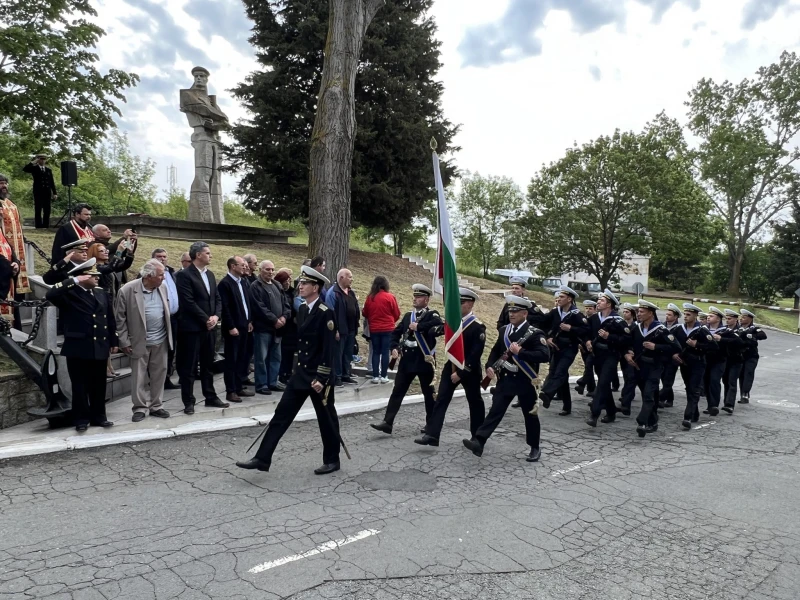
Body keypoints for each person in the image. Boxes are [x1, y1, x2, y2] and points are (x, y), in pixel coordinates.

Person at [236, 266, 341, 475]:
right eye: (300, 283)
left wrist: (322, 377)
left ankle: (332, 460)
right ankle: (262, 458)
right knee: (280, 415)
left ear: (316, 287)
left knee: (327, 420)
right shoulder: (302, 309)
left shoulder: (325, 313)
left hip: (318, 378)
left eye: (304, 283)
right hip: (300, 375)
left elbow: (329, 349)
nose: (300, 286)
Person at [462, 295, 550, 462]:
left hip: (525, 380)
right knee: (495, 411)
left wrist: (521, 353)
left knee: (530, 415)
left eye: (515, 311)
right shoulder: (504, 331)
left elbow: (544, 355)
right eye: (510, 311)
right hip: (506, 379)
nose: (511, 314)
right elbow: (496, 350)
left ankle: (534, 447)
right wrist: (490, 365)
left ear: (525, 313)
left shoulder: (535, 333)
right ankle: (479, 441)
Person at [45, 258, 117, 431]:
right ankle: (81, 419)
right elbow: (50, 294)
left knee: (99, 384)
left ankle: (99, 417)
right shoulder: (69, 293)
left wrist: (114, 341)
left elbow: (109, 317)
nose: (97, 278)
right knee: (80, 386)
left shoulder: (100, 293)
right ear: (83, 277)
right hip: (78, 347)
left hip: (99, 345)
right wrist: (74, 280)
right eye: (93, 275)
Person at [415, 288, 486, 447]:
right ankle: (432, 435)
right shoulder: (453, 322)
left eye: (460, 303)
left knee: (475, 402)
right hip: (451, 365)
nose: (457, 306)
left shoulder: (477, 326)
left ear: (469, 304)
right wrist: (435, 328)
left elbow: (475, 354)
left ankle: (477, 437)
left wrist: (461, 373)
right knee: (441, 399)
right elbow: (436, 331)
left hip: (469, 370)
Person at [370, 284, 442, 435]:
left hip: (424, 361)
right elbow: (395, 333)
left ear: (426, 300)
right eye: (415, 296)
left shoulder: (432, 315)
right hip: (407, 362)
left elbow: (439, 325)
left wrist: (419, 326)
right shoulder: (408, 316)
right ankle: (387, 422)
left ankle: (431, 425)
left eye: (419, 297)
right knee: (397, 391)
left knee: (428, 395)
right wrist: (394, 347)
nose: (415, 299)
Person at [115, 259, 172, 422]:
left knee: (159, 374)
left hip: (161, 339)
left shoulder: (162, 287)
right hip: (138, 341)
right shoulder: (127, 290)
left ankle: (157, 406)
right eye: (161, 275)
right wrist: (124, 341)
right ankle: (139, 407)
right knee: (139, 377)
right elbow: (119, 319)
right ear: (149, 275)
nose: (164, 278)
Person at [174, 241, 228, 414]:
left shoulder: (210, 275)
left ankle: (210, 396)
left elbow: (217, 299)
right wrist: (205, 318)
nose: (210, 256)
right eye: (207, 253)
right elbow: (187, 301)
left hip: (209, 329)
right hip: (191, 329)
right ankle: (188, 401)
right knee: (188, 366)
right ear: (198, 255)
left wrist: (215, 317)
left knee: (207, 365)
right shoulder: (184, 275)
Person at [624, 300, 682, 438]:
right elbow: (627, 343)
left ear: (650, 313)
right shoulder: (636, 328)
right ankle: (653, 421)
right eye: (638, 311)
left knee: (649, 395)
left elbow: (676, 347)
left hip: (654, 367)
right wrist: (628, 353)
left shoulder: (661, 330)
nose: (639, 314)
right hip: (639, 367)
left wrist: (656, 347)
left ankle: (642, 423)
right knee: (650, 395)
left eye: (642, 312)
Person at [539, 285, 589, 416]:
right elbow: (543, 324)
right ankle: (567, 406)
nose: (558, 299)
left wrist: (571, 328)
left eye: (562, 297)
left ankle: (547, 393)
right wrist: (547, 337)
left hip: (569, 348)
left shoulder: (577, 314)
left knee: (560, 372)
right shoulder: (555, 312)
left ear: (569, 299)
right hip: (556, 348)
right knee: (560, 375)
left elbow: (586, 330)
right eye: (558, 296)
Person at [585, 290, 630, 427]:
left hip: (611, 355)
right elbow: (585, 331)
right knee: (604, 385)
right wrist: (587, 341)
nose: (598, 302)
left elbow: (626, 339)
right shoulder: (594, 318)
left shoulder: (618, 320)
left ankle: (594, 414)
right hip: (596, 355)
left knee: (603, 383)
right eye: (598, 300)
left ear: (609, 304)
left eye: (602, 300)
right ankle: (611, 412)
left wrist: (609, 337)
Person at [673, 303, 717, 430]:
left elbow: (713, 346)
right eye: (685, 314)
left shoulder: (702, 330)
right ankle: (695, 413)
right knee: (689, 388)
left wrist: (697, 344)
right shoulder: (679, 329)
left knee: (694, 389)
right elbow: (672, 343)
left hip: (698, 364)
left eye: (688, 315)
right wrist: (674, 354)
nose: (685, 317)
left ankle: (687, 417)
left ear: (695, 316)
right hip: (684, 364)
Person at [250, 260, 290, 394]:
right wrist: (274, 319)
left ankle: (272, 381)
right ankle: (261, 384)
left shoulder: (277, 285)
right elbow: (259, 307)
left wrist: (284, 316)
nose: (271, 272)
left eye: (272, 270)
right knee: (261, 358)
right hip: (263, 328)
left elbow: (285, 303)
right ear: (260, 270)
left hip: (278, 329)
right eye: (267, 269)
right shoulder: (255, 286)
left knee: (276, 356)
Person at [218, 256, 255, 403]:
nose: (245, 267)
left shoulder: (243, 282)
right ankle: (230, 390)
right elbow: (225, 308)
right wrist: (231, 326)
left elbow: (247, 303)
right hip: (233, 329)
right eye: (242, 265)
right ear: (233, 266)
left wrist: (250, 320)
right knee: (232, 360)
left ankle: (239, 386)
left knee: (242, 358)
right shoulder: (225, 284)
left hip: (245, 326)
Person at [361, 276, 400, 383]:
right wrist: (391, 321)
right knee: (385, 352)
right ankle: (384, 376)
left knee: (375, 352)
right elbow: (397, 313)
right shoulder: (390, 297)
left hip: (374, 329)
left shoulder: (370, 298)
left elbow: (365, 313)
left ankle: (375, 376)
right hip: (388, 329)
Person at [325, 268, 360, 386]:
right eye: (349, 277)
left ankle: (346, 374)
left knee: (348, 353)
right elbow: (330, 313)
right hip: (340, 330)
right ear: (341, 278)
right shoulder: (333, 293)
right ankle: (337, 376)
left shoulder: (351, 292)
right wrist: (335, 330)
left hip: (351, 329)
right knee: (338, 354)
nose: (352, 279)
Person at [152, 249, 181, 389]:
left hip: (174, 317)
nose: (162, 259)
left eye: (164, 256)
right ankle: (156, 380)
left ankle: (167, 378)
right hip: (160, 319)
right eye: (159, 257)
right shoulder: (148, 275)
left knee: (171, 349)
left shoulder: (171, 273)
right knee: (159, 351)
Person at [737, 309, 767, 404]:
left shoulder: (754, 328)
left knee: (748, 374)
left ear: (750, 319)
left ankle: (745, 393)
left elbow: (763, 335)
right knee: (741, 375)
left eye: (744, 317)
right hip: (740, 356)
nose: (741, 319)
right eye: (741, 317)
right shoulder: (738, 328)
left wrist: (751, 335)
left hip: (751, 356)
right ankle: (743, 393)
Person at [657, 303, 683, 409]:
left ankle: (658, 398)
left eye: (670, 315)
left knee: (668, 381)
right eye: (666, 314)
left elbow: (680, 344)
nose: (667, 316)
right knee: (664, 379)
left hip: (672, 359)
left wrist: (677, 354)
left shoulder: (679, 328)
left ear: (675, 317)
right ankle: (669, 399)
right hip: (662, 357)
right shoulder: (662, 326)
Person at [274, 268, 298, 384]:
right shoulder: (279, 292)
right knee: (283, 352)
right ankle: (282, 374)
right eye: (285, 281)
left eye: (289, 280)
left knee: (290, 352)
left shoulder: (293, 292)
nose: (288, 282)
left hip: (293, 327)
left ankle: (288, 373)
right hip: (284, 326)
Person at [22, 153, 57, 229]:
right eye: (41, 159)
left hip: (47, 192)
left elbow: (51, 182)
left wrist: (54, 193)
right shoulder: (34, 168)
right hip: (38, 191)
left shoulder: (48, 170)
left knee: (47, 209)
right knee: (38, 209)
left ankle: (46, 225)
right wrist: (33, 162)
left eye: (44, 159)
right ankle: (38, 226)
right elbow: (25, 169)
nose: (43, 161)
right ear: (38, 159)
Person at [721, 309, 746, 414]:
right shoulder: (723, 329)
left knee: (732, 382)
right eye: (726, 318)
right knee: (725, 381)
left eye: (730, 319)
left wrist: (723, 340)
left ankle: (730, 405)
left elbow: (741, 343)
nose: (727, 320)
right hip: (725, 360)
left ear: (736, 320)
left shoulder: (741, 331)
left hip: (736, 360)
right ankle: (726, 401)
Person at [616, 302, 639, 416]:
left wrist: (631, 350)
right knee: (627, 377)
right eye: (624, 312)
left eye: (627, 312)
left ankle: (626, 403)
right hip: (623, 355)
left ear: (633, 314)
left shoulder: (636, 326)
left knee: (630, 378)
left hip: (633, 356)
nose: (625, 314)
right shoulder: (621, 325)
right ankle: (626, 398)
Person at [574, 299, 598, 397]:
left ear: (595, 309)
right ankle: (591, 388)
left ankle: (582, 383)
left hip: (593, 347)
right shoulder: (582, 319)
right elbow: (579, 332)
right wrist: (579, 343)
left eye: (590, 308)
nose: (588, 310)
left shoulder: (597, 319)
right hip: (583, 347)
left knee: (589, 367)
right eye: (586, 308)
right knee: (588, 368)